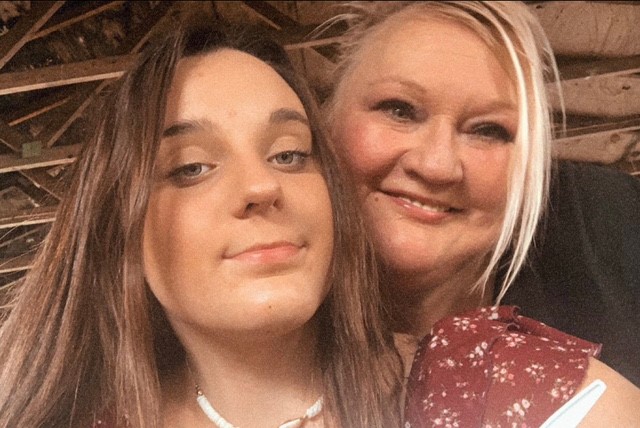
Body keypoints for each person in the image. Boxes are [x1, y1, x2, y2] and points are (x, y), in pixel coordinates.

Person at [0, 23, 404, 427]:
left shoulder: (434, 385)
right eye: (191, 167)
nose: (262, 186)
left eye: (288, 154)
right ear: (120, 232)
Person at [323, 1, 640, 426]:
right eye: (399, 110)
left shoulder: (612, 236)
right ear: (323, 123)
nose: (436, 165)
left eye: (488, 130)